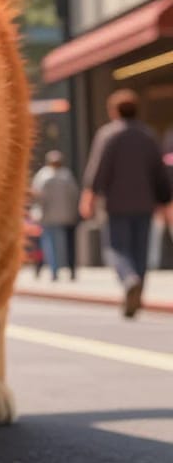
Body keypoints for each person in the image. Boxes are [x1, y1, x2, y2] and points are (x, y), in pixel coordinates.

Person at [81, 89, 173, 318]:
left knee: (116, 248)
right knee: (140, 250)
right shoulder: (148, 135)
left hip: (116, 205)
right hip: (144, 204)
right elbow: (159, 173)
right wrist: (165, 201)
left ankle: (129, 278)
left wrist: (89, 196)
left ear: (113, 111)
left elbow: (98, 170)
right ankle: (138, 291)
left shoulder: (108, 135)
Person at [31, 150, 80, 282]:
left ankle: (54, 270)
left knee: (49, 245)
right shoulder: (67, 176)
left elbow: (37, 196)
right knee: (61, 245)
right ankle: (60, 268)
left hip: (47, 216)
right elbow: (74, 196)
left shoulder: (42, 176)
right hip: (64, 217)